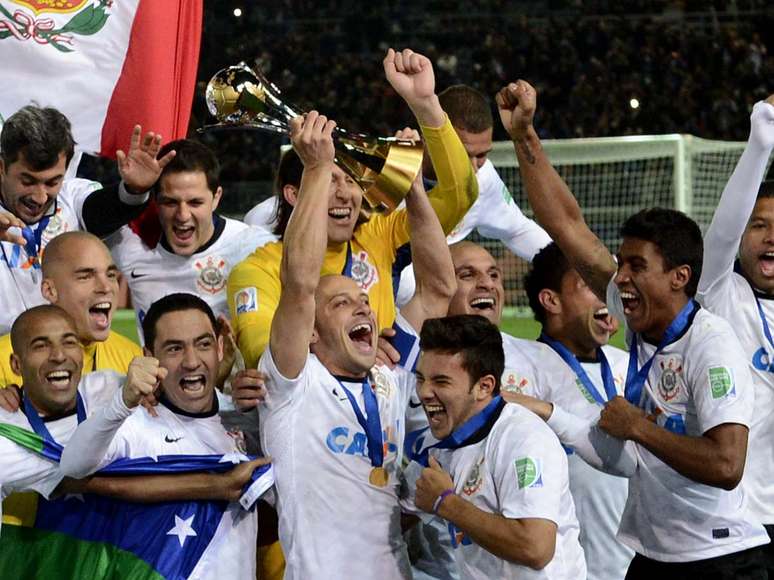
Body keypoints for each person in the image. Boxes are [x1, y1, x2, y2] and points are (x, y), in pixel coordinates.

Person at [501, 79, 769, 576]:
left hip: (720, 558)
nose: (619, 278)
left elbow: (727, 465)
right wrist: (524, 137)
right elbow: (567, 224)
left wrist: (638, 427)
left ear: (679, 277)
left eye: (635, 267)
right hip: (655, 552)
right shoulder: (639, 318)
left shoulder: (710, 345)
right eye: (620, 264)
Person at [228, 48, 479, 369]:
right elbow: (262, 354)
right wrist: (353, 356)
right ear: (294, 194)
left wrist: (426, 104)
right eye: (329, 180)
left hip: (389, 407)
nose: (346, 194)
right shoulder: (257, 270)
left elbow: (462, 194)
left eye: (352, 181)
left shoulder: (380, 236)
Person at [243, 84, 551, 308]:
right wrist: (265, 241)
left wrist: (565, 268)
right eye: (463, 154)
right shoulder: (383, 168)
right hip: (358, 299)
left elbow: (518, 228)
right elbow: (267, 214)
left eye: (481, 155)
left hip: (424, 305)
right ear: (435, 137)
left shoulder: (482, 182)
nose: (473, 166)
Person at [59, 293, 267, 579]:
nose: (192, 361)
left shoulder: (249, 421)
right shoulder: (133, 421)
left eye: (203, 344)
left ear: (220, 348)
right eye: (174, 349)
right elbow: (72, 467)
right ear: (149, 357)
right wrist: (123, 401)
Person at [0, 305, 258, 530]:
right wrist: (215, 486)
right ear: (16, 365)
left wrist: (219, 381)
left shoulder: (111, 385)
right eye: (40, 346)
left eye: (69, 342)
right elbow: (87, 480)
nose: (58, 356)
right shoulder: (6, 440)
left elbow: (188, 400)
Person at [410, 314, 586, 579]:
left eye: (441, 381)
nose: (424, 392)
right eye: (421, 378)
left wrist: (445, 503)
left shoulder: (524, 438)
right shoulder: (440, 444)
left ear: (484, 386)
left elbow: (535, 547)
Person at [0, 105, 175, 332]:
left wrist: (133, 190)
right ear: (2, 167)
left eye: (53, 182)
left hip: (62, 358)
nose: (40, 196)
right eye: (28, 181)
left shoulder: (72, 198)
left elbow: (100, 211)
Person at [523, 242, 633, 579]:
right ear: (551, 300)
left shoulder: (629, 366)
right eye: (590, 284)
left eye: (610, 284)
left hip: (640, 564)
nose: (608, 294)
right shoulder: (526, 371)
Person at [697, 95, 774, 573]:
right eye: (759, 226)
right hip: (740, 520)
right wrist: (760, 142)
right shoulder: (722, 292)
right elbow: (722, 236)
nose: (770, 237)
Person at [107, 139, 275, 339]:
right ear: (155, 200)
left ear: (216, 198)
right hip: (157, 370)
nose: (183, 215)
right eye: (170, 202)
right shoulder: (131, 244)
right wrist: (132, 192)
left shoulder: (252, 246)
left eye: (195, 202)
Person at [0, 231, 141, 389]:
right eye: (85, 277)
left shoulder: (132, 359)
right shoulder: (4, 362)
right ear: (50, 291)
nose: (106, 287)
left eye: (110, 275)